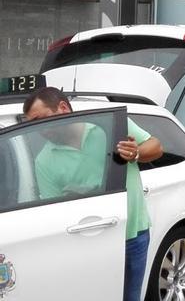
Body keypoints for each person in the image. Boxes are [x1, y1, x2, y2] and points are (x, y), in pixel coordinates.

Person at [24, 87, 163, 301]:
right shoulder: (44, 160)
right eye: (32, 124)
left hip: (132, 233)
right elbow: (52, 211)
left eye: (40, 120)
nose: (40, 129)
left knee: (131, 297)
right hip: (88, 241)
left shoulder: (109, 125)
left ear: (63, 107)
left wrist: (136, 153)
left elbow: (156, 147)